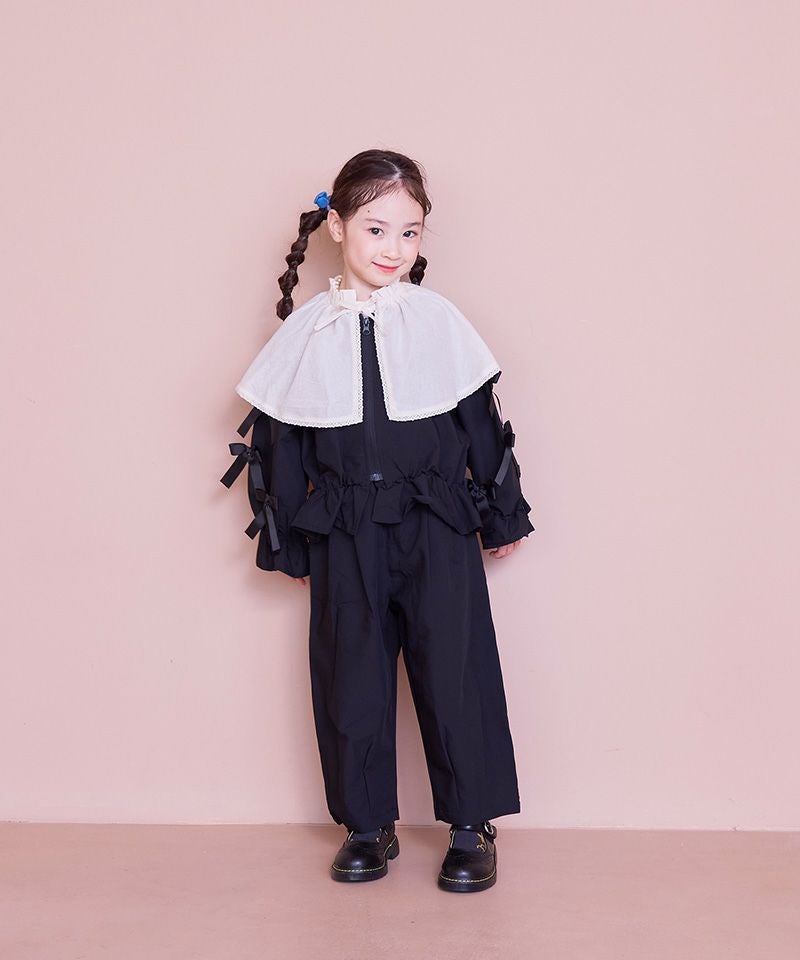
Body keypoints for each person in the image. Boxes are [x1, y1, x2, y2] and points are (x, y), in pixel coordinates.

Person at [220, 149, 535, 893]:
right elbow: (280, 441)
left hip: (436, 523)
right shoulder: (305, 332)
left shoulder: (440, 322)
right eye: (375, 229)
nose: (394, 248)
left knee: (455, 669)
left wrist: (501, 516)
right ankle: (367, 825)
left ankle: (471, 825)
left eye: (409, 232)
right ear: (336, 226)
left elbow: (480, 420)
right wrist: (288, 543)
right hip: (346, 529)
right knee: (350, 677)